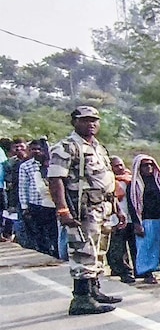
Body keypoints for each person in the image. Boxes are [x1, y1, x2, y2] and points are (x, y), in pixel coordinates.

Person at [46, 106, 123, 315]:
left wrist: (117, 208)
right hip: (83, 208)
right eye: (85, 120)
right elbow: (55, 179)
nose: (91, 124)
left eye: (94, 120)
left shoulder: (99, 147)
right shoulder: (66, 147)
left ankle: (93, 290)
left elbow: (108, 179)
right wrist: (63, 209)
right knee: (83, 252)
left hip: (103, 205)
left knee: (98, 251)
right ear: (74, 122)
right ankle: (81, 298)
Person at [128, 154, 160, 284]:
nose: (148, 167)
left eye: (150, 164)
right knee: (147, 247)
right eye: (145, 165)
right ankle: (148, 273)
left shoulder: (159, 180)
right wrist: (137, 224)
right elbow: (132, 205)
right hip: (146, 219)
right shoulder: (134, 184)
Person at [17, 139, 59, 258]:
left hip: (53, 204)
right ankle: (44, 254)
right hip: (35, 204)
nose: (36, 151)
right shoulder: (26, 166)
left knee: (54, 231)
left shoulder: (53, 164)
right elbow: (23, 187)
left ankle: (56, 253)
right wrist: (25, 207)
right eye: (33, 149)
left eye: (39, 149)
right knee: (39, 232)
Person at [106, 156, 137, 283]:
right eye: (116, 166)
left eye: (121, 165)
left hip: (131, 218)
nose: (119, 168)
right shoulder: (108, 182)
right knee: (118, 248)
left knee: (135, 246)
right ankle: (125, 272)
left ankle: (139, 271)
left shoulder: (130, 180)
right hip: (115, 219)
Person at [3, 137, 27, 246]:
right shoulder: (9, 163)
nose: (19, 149)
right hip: (15, 194)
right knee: (17, 220)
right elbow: (8, 180)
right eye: (16, 147)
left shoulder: (31, 160)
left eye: (21, 146)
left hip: (29, 195)